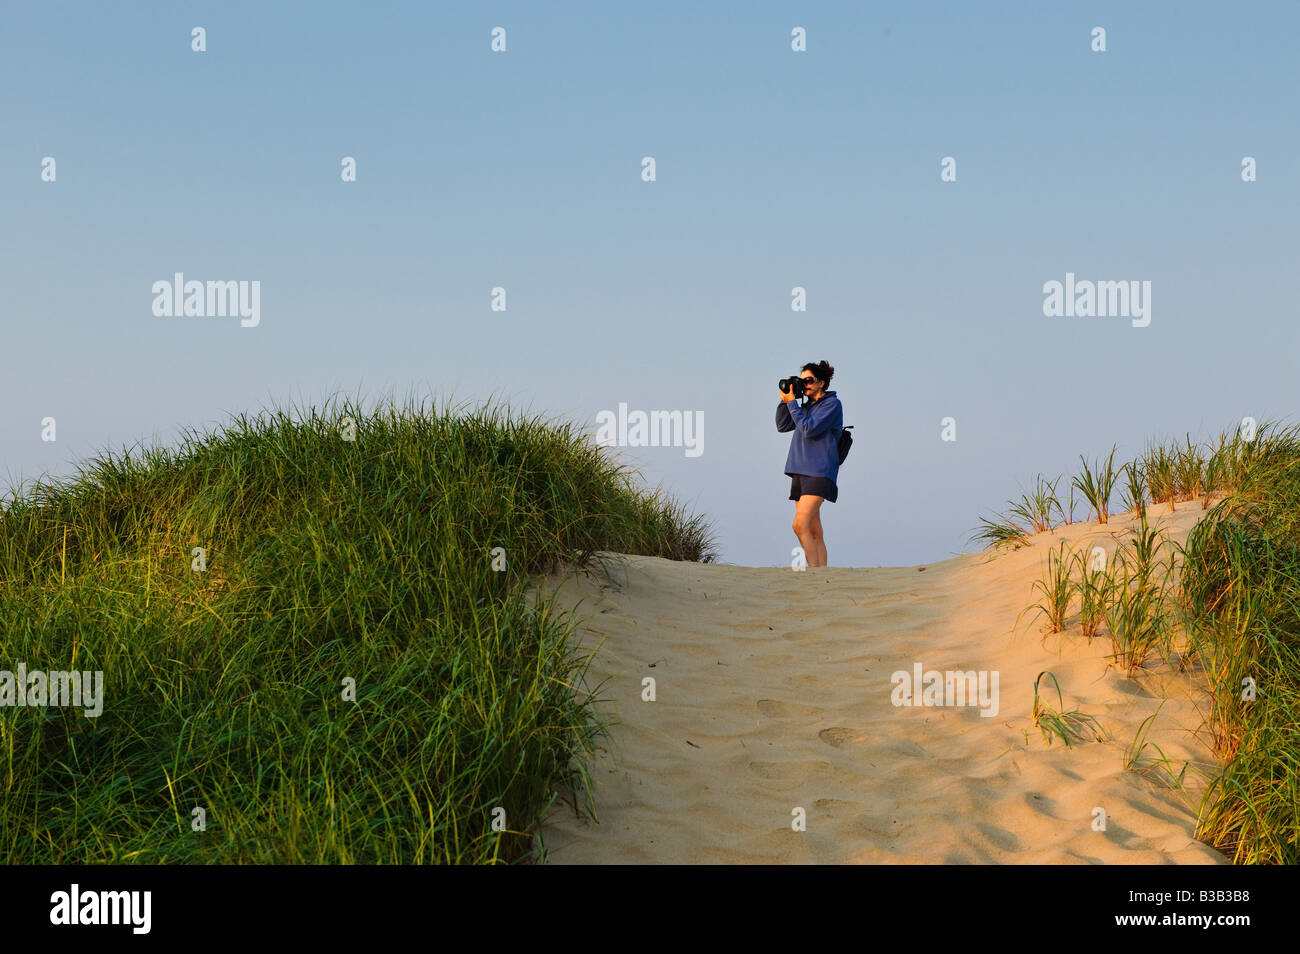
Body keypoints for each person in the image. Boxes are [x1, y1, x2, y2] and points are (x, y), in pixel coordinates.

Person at [775, 360, 842, 567]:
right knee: (814, 530)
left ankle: (814, 576)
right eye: (802, 381)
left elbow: (808, 429)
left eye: (809, 380)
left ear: (821, 382)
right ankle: (822, 575)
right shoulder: (804, 406)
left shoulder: (831, 404)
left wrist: (793, 403)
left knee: (799, 525)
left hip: (819, 471)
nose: (806, 384)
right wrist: (786, 400)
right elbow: (782, 425)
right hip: (799, 471)